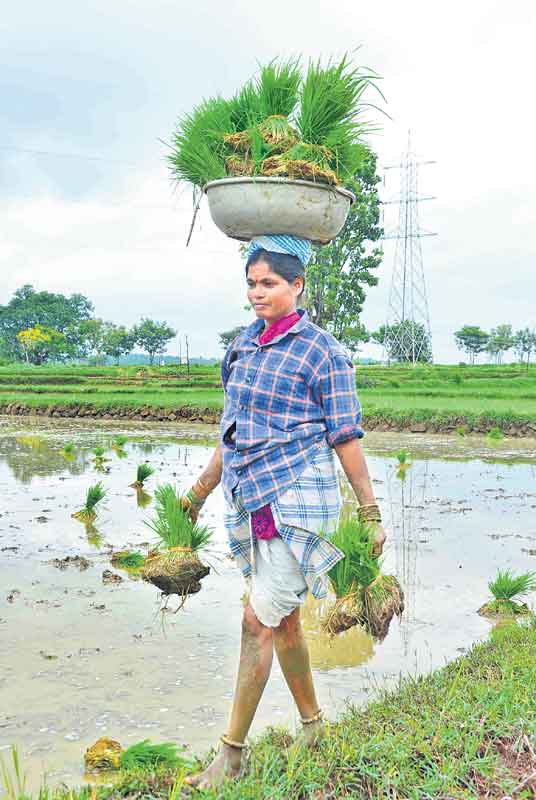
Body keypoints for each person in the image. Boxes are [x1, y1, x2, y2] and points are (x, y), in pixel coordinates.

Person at [183, 234, 386, 790]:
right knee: (286, 620)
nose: (257, 293)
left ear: (298, 286)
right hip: (252, 499)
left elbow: (346, 438)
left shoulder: (323, 352)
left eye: (269, 283)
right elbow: (231, 429)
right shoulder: (241, 348)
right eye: (251, 283)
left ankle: (232, 752)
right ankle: (314, 726)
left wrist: (369, 512)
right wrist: (200, 491)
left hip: (300, 501)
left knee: (256, 621)